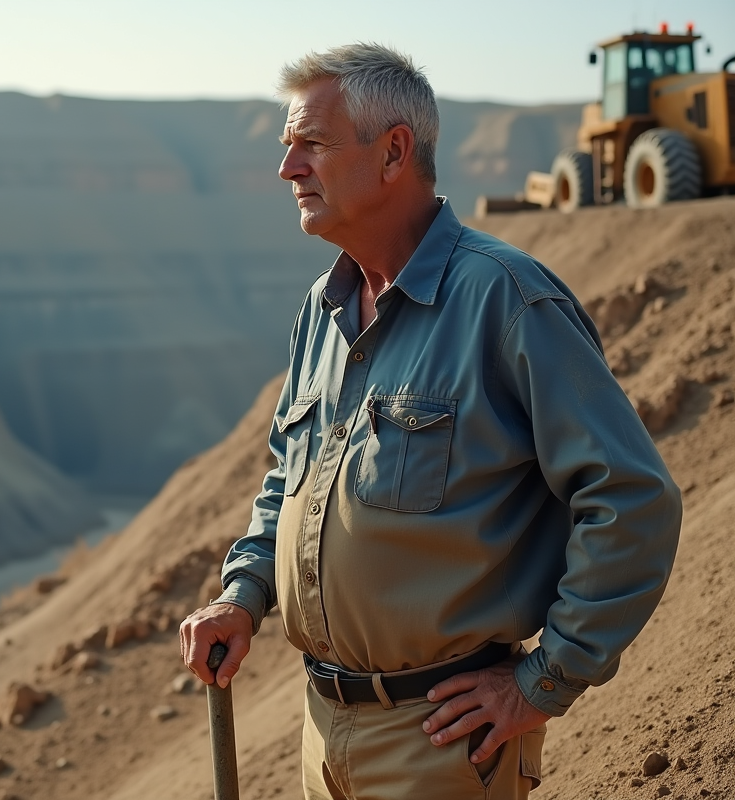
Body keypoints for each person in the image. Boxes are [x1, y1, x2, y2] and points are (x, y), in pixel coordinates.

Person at [178, 42, 681, 800]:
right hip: (322, 734)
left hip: (441, 744)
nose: (289, 169)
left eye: (310, 144)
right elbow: (291, 478)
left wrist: (544, 678)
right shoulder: (322, 311)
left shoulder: (506, 301)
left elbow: (632, 496)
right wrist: (241, 594)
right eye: (288, 147)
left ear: (393, 153)